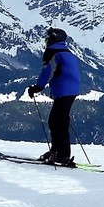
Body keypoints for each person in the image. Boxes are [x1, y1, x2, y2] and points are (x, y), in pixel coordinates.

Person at [26, 27, 82, 165]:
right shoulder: (66, 52)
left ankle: (62, 154)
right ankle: (57, 151)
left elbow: (47, 72)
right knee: (58, 121)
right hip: (71, 90)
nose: (46, 40)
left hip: (64, 90)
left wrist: (37, 87)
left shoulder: (53, 52)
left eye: (48, 38)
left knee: (58, 122)